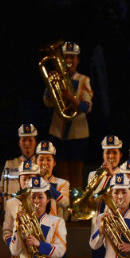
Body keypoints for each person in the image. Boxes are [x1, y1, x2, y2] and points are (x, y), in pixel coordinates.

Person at [43, 41, 93, 189]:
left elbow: (87, 107)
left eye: (72, 57)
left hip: (78, 133)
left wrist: (71, 98)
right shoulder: (56, 78)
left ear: (78, 60)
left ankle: (76, 206)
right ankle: (63, 205)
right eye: (66, 58)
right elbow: (47, 103)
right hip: (58, 131)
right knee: (61, 171)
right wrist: (49, 86)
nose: (69, 61)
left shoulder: (84, 80)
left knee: (77, 172)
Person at [0, 124, 38, 212]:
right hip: (15, 212)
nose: (27, 143)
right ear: (19, 143)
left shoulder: (41, 164)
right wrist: (0, 197)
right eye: (24, 140)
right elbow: (0, 189)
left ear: (35, 142)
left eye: (30, 140)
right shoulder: (11, 164)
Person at [36, 140, 71, 219]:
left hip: (55, 227)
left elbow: (65, 203)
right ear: (36, 162)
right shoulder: (31, 182)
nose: (44, 163)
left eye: (48, 159)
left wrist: (47, 185)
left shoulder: (63, 183)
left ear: (54, 163)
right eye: (41, 159)